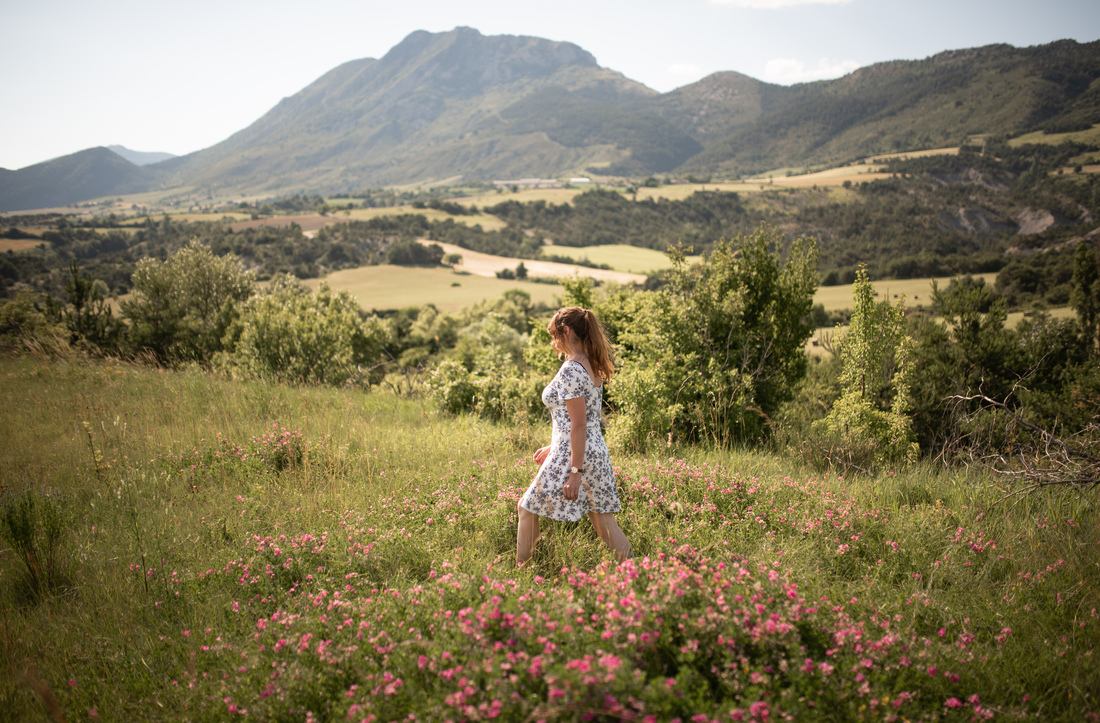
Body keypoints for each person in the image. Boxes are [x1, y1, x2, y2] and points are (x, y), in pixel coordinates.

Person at [516, 306, 631, 566]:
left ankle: (521, 573)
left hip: (577, 456)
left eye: (554, 335)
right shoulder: (590, 363)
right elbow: (583, 420)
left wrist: (575, 472)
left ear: (566, 331)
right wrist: (554, 445)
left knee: (526, 508)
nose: (553, 342)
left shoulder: (570, 370)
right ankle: (636, 572)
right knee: (603, 521)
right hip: (593, 450)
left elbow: (578, 424)